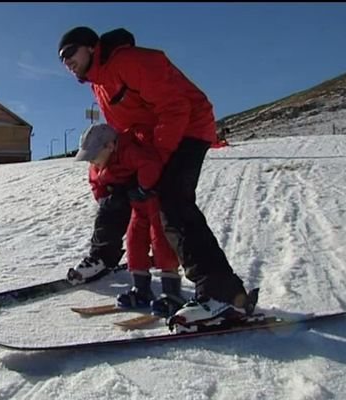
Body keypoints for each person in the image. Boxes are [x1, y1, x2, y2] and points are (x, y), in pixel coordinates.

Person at [59, 26, 256, 327]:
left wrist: (157, 164)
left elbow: (176, 106)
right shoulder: (98, 83)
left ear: (90, 47)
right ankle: (103, 258)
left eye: (70, 52)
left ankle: (222, 296)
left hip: (188, 129)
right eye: (61, 58)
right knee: (116, 192)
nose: (66, 61)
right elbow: (123, 130)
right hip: (153, 140)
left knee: (171, 202)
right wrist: (109, 171)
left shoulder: (129, 61)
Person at [71, 123, 184, 311]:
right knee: (134, 242)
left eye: (94, 155)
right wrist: (103, 199)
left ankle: (171, 292)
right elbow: (96, 182)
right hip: (136, 206)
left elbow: (150, 164)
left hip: (154, 202)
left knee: (160, 240)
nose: (92, 161)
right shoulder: (98, 164)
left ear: (110, 146)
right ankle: (141, 289)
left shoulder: (128, 151)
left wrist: (143, 187)